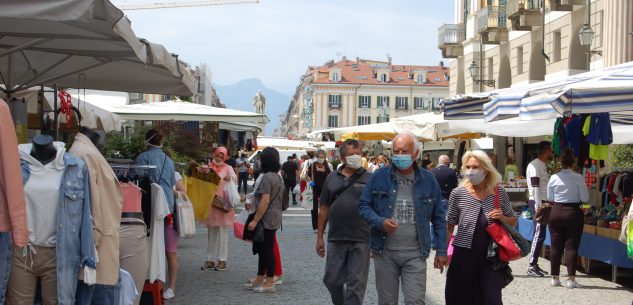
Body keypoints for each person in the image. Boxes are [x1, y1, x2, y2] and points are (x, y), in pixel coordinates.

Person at [358, 132, 447, 305]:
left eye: (404, 151)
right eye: (396, 151)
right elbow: (363, 206)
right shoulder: (379, 176)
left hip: (415, 253)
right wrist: (380, 222)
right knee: (387, 301)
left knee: (415, 301)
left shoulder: (428, 179)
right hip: (385, 251)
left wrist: (442, 250)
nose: (399, 156)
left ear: (415, 154)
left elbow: (438, 217)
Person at [445, 150, 517, 305]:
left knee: (492, 299)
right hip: (463, 256)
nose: (471, 171)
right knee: (459, 298)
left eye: (476, 167)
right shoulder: (458, 193)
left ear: (486, 169)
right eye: (468, 167)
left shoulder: (498, 192)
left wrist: (502, 217)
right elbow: (449, 225)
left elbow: (513, 221)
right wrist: (442, 252)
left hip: (491, 257)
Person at [317, 139, 372, 305]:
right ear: (342, 158)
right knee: (332, 280)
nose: (356, 157)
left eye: (358, 154)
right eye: (351, 154)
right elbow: (324, 208)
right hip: (336, 237)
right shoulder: (331, 178)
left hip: (362, 239)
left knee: (356, 285)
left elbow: (379, 209)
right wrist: (320, 236)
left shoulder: (370, 178)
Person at [133, 129, 177, 298]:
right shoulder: (168, 160)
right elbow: (172, 183)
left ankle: (147, 277)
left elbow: (136, 179)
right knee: (170, 250)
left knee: (149, 245)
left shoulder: (142, 158)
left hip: (149, 206)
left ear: (147, 141)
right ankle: (171, 287)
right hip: (167, 207)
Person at [547, 149, 589, 288]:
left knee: (555, 246)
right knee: (571, 247)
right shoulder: (578, 178)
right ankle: (571, 279)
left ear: (561, 162)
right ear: (574, 162)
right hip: (572, 213)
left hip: (556, 211)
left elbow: (550, 198)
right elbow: (585, 198)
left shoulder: (554, 177)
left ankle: (554, 278)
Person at [246, 147, 284, 293]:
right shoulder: (277, 176)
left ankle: (269, 282)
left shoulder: (267, 177)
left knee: (266, 249)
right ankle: (260, 277)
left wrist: (255, 220)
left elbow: (265, 200)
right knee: (263, 248)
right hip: (275, 216)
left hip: (266, 217)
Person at [200, 147, 236, 272]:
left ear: (225, 157)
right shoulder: (208, 167)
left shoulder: (228, 168)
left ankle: (222, 260)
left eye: (222, 157)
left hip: (223, 203)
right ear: (213, 155)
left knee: (223, 232)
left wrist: (229, 178)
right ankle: (209, 260)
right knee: (211, 233)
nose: (219, 158)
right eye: (217, 156)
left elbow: (234, 179)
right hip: (210, 203)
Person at [527, 141, 554, 277]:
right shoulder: (535, 165)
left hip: (542, 201)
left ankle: (535, 263)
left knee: (541, 234)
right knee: (539, 233)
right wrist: (538, 205)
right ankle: (531, 265)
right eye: (551, 150)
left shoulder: (541, 165)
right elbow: (535, 186)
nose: (552, 153)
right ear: (546, 150)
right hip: (538, 202)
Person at [430, 155, 458, 248]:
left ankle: (433, 243)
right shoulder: (451, 171)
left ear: (439, 161)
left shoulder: (432, 171)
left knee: (433, 221)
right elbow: (455, 186)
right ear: (448, 162)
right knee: (445, 222)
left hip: (434, 199)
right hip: (446, 198)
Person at [306, 149, 333, 232]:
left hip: (324, 189)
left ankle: (323, 227)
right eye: (319, 157)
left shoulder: (328, 165)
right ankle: (315, 227)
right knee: (314, 208)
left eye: (323, 157)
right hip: (314, 189)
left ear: (325, 157)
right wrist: (310, 181)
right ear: (316, 157)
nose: (321, 158)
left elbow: (331, 176)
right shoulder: (312, 165)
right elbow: (307, 175)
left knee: (324, 208)